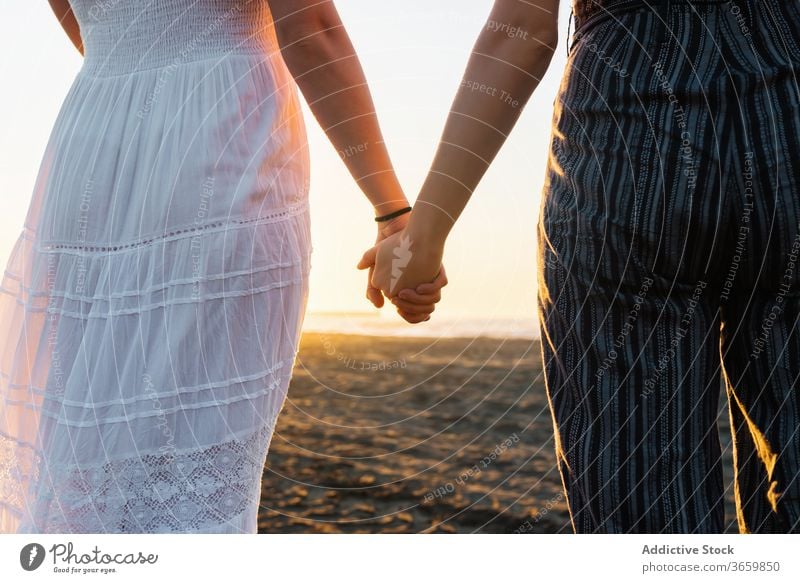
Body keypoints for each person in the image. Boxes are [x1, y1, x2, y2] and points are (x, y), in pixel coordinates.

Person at [0, 0, 443, 534]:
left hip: (93, 140)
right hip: (218, 139)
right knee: (188, 460)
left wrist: (138, 63)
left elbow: (80, 19)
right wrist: (393, 213)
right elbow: (310, 26)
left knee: (82, 445)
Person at [362, 0, 800, 533]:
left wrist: (420, 237)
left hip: (628, 131)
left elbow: (521, 26)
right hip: (789, 108)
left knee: (644, 511)